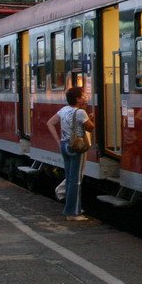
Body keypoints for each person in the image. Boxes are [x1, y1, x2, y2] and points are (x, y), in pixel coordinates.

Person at [46, 87, 94, 221]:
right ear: (78, 99)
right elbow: (90, 127)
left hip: (64, 145)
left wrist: (57, 140)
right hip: (76, 147)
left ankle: (70, 208)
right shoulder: (80, 112)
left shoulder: (63, 110)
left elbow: (50, 123)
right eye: (83, 95)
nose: (85, 97)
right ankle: (73, 213)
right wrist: (91, 118)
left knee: (69, 178)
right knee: (76, 180)